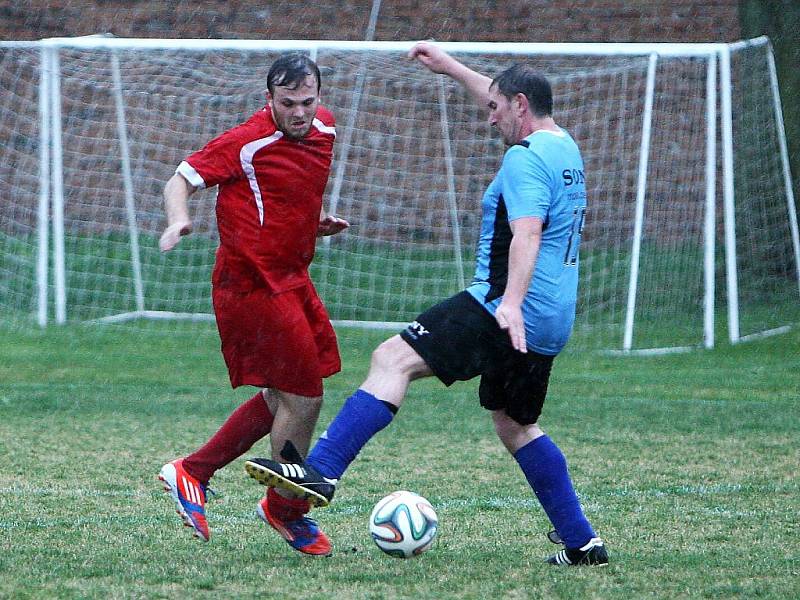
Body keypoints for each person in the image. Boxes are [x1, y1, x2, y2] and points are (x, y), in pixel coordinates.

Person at [245, 42, 608, 566]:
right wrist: (449, 67)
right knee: (514, 423)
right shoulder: (563, 146)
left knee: (392, 359)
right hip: (552, 318)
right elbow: (498, 91)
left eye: (496, 110)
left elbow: (526, 233)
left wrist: (509, 304)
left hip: (504, 307)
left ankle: (320, 469)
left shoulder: (524, 159)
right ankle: (582, 542)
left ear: (520, 107)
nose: (490, 119)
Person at [157, 52, 349, 556]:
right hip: (251, 286)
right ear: (270, 101)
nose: (300, 113)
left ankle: (191, 471)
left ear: (319, 99)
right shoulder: (246, 140)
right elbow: (179, 180)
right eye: (288, 104)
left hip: (293, 278)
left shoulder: (325, 129)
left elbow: (291, 192)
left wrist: (315, 220)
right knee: (304, 395)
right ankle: (286, 509)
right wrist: (178, 220)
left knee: (283, 396)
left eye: (307, 102)